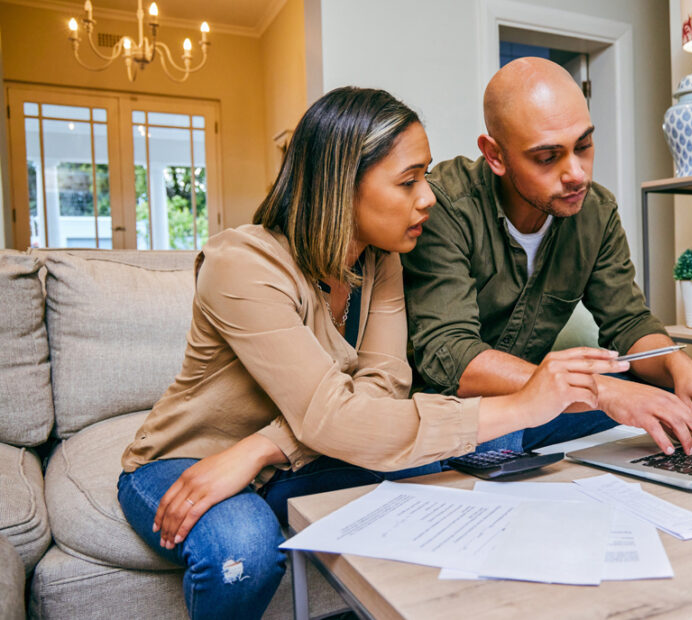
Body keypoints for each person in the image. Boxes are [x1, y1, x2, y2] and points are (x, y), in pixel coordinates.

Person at [117, 86, 626, 619]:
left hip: (289, 458)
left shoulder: (381, 262)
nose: (427, 196)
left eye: (425, 176)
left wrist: (263, 449)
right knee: (242, 549)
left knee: (465, 466)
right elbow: (338, 417)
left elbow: (384, 391)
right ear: (340, 188)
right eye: (408, 181)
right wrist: (524, 404)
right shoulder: (240, 264)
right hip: (194, 459)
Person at [401, 57, 692, 457]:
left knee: (661, 404)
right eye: (547, 157)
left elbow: (627, 321)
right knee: (615, 407)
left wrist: (679, 364)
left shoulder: (596, 211)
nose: (577, 174)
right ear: (495, 155)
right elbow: (450, 353)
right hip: (454, 416)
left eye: (584, 145)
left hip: (542, 411)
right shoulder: (444, 205)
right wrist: (601, 390)